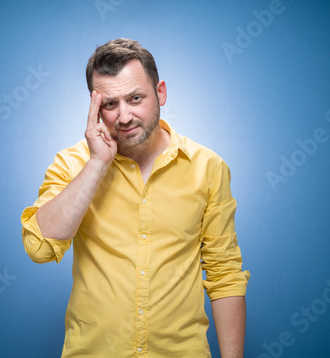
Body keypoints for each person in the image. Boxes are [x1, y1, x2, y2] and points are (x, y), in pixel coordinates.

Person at [21, 38, 250, 358]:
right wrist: (97, 163)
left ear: (161, 93)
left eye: (135, 98)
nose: (124, 116)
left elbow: (224, 275)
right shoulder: (73, 164)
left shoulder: (208, 168)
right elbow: (40, 247)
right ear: (94, 107)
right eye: (110, 104)